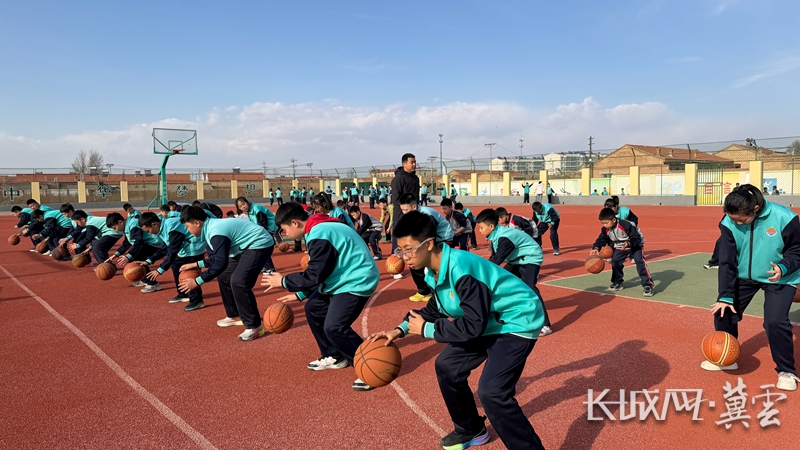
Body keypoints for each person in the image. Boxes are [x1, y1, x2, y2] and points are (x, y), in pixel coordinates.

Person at [367, 211, 546, 449]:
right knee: (447, 365)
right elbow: (436, 307)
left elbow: (473, 326)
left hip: (516, 319)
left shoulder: (461, 269)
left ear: (428, 244)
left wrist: (428, 330)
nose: (404, 257)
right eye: (400, 250)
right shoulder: (433, 270)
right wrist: (399, 330)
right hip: (489, 321)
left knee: (492, 392)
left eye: (409, 249)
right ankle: (471, 429)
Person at [262, 202, 379, 390]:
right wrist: (301, 294)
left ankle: (370, 367)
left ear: (294, 222)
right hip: (342, 278)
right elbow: (325, 269)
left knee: (335, 327)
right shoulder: (320, 227)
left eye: (285, 229)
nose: (285, 234)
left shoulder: (319, 233)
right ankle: (335, 355)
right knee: (313, 308)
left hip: (357, 280)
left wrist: (284, 281)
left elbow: (315, 274)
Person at [702, 184, 800, 391]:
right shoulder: (728, 222)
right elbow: (727, 260)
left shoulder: (785, 217)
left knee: (775, 322)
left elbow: (796, 250)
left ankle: (786, 371)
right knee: (724, 312)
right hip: (744, 276)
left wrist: (783, 267)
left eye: (742, 220)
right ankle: (727, 358)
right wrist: (725, 295)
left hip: (779, 277)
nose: (737, 223)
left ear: (755, 209)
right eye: (733, 219)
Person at [178, 206, 274, 341]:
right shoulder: (210, 229)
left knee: (239, 282)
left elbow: (220, 263)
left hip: (259, 243)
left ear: (196, 223)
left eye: (187, 226)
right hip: (243, 247)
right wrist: (197, 264)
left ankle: (255, 326)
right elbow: (218, 259)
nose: (187, 230)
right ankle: (235, 315)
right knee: (224, 276)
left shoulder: (215, 231)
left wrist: (197, 281)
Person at [476, 208, 552, 337]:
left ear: (491, 226)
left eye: (481, 227)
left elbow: (496, 261)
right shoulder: (495, 236)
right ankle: (505, 315)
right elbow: (493, 259)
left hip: (530, 257)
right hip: (516, 259)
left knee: (530, 288)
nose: (479, 231)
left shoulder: (505, 238)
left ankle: (545, 324)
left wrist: (477, 272)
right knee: (500, 283)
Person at [139, 213, 207, 311]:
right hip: (183, 250)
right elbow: (167, 247)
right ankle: (183, 294)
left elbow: (173, 249)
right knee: (176, 268)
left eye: (148, 230)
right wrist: (149, 260)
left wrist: (160, 270)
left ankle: (197, 301)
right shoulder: (162, 228)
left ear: (154, 224)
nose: (149, 233)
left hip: (194, 249)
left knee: (189, 274)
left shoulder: (172, 227)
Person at [398, 193, 453, 302]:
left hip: (443, 238)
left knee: (430, 261)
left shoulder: (427, 214)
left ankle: (442, 291)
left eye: (406, 210)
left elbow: (430, 234)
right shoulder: (410, 215)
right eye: (402, 210)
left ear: (414, 207)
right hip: (429, 238)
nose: (404, 212)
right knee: (414, 260)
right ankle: (424, 291)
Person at [590, 207, 654, 296]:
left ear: (613, 220)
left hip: (635, 244)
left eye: (606, 223)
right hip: (620, 245)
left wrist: (628, 243)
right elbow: (601, 239)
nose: (604, 225)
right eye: (602, 223)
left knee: (640, 261)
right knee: (615, 261)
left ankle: (647, 285)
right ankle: (617, 282)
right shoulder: (605, 229)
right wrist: (596, 248)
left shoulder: (626, 225)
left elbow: (636, 238)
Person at [110, 204, 166, 293]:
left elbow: (139, 242)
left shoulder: (133, 224)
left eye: (114, 228)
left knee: (138, 259)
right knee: (135, 258)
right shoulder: (127, 226)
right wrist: (115, 255)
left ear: (120, 222)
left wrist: (128, 256)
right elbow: (127, 242)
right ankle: (143, 279)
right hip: (148, 243)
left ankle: (153, 284)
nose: (116, 230)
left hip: (154, 242)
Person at [235, 197, 279, 273]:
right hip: (263, 229)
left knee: (263, 248)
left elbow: (263, 222)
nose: (243, 207)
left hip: (269, 228)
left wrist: (259, 235)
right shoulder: (249, 211)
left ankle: (270, 268)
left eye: (243, 204)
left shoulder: (257, 208)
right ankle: (266, 266)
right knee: (261, 248)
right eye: (240, 206)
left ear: (247, 202)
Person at [390, 153, 420, 252]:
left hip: (414, 215)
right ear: (404, 164)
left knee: (413, 243)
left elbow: (416, 198)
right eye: (412, 162)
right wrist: (403, 214)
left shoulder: (416, 179)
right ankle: (395, 259)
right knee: (398, 245)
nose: (414, 164)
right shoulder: (398, 179)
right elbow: (396, 200)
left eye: (415, 162)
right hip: (401, 216)